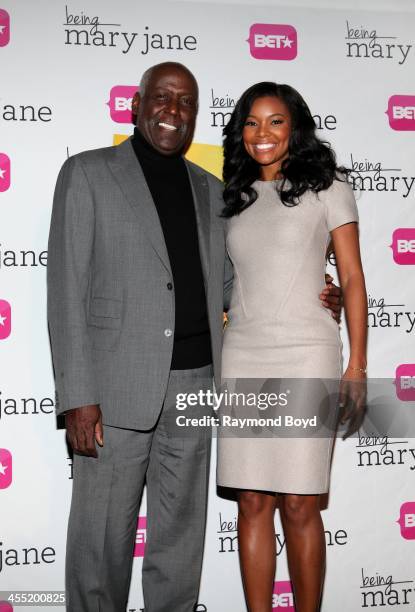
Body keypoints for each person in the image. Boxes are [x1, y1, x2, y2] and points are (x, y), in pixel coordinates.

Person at [47, 63, 342, 612]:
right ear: (136, 105)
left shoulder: (213, 192)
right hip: (112, 392)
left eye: (185, 103)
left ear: (195, 116)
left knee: (179, 544)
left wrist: (321, 290)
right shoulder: (87, 173)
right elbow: (65, 290)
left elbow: (242, 282)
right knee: (100, 545)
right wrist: (77, 396)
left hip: (197, 384)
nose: (173, 111)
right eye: (162, 98)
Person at [216, 82, 367, 612]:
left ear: (294, 127)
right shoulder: (231, 197)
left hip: (307, 353)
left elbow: (350, 278)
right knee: (253, 500)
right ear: (241, 132)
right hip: (243, 355)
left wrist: (357, 365)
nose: (263, 134)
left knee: (301, 503)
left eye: (276, 121)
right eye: (252, 123)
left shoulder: (329, 187)